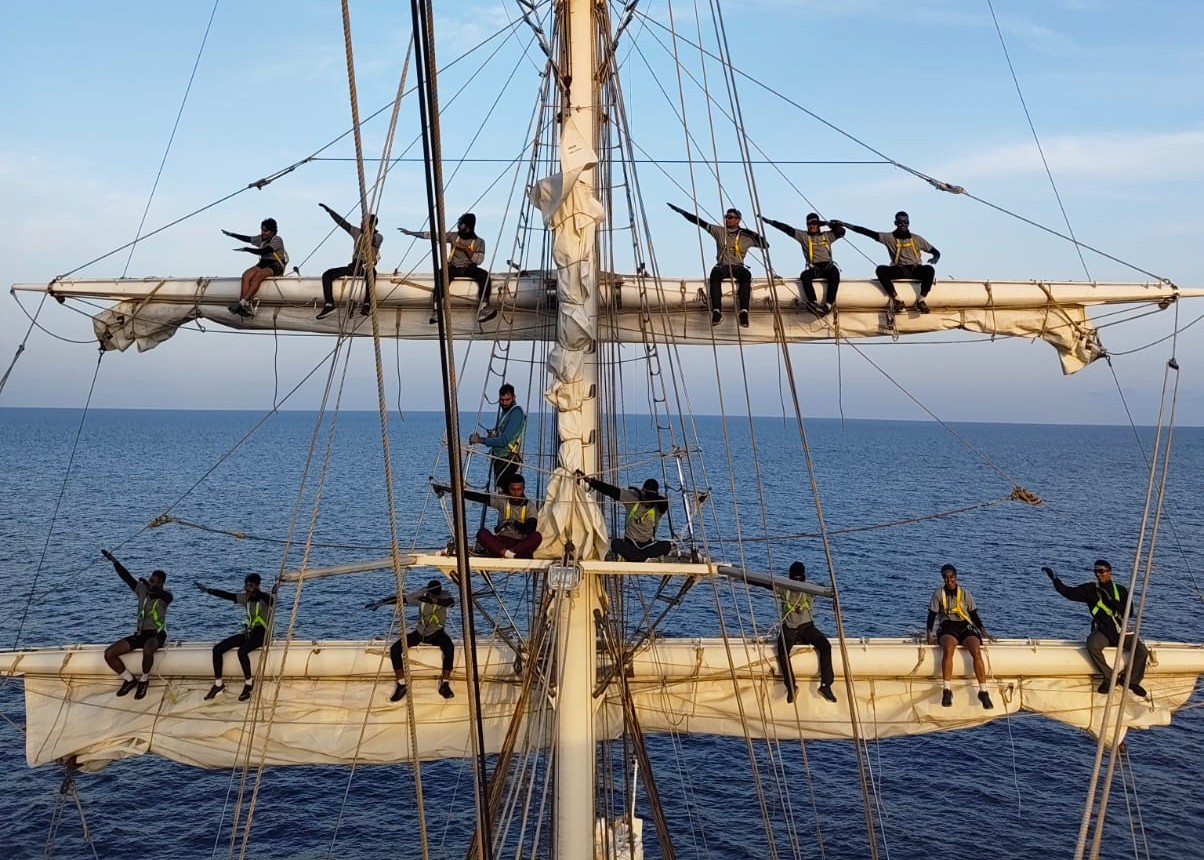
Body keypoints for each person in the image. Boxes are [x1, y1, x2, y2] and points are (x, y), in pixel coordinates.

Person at [1044, 560, 1148, 697]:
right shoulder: (1090, 589)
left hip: (1121, 631)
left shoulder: (1121, 590)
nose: (1098, 574)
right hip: (1103, 632)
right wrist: (1055, 579)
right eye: (1096, 572)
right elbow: (1068, 593)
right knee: (1092, 644)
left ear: (1109, 572)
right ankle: (1110, 677)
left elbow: (1128, 613)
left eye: (1101, 571)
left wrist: (1112, 601)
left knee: (1141, 651)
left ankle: (1132, 681)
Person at [668, 203, 768, 327]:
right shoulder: (719, 231)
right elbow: (700, 222)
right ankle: (716, 312)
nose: (727, 219)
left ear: (738, 220)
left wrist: (750, 232)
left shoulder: (745, 236)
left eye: (730, 217)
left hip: (738, 267)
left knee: (746, 275)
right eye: (726, 216)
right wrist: (682, 212)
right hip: (723, 266)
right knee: (715, 274)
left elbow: (765, 245)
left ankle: (743, 312)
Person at [830, 211, 940, 314]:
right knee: (881, 270)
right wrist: (845, 224)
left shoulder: (916, 238)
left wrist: (935, 258)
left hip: (915, 269)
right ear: (895, 223)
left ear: (908, 223)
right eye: (900, 222)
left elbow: (936, 252)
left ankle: (921, 300)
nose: (903, 224)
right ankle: (897, 299)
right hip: (900, 269)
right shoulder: (889, 237)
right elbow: (867, 232)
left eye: (905, 222)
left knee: (929, 270)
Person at [100, 549, 173, 700]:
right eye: (150, 579)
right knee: (109, 653)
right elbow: (126, 577)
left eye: (154, 581)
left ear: (161, 583)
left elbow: (161, 595)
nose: (150, 582)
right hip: (141, 633)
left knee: (148, 649)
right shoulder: (142, 590)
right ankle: (129, 679)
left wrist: (150, 587)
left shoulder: (166, 596)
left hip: (156, 634)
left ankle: (144, 680)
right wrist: (113, 560)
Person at [399, 212, 496, 324]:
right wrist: (411, 233)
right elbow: (432, 235)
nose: (458, 225)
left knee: (484, 275)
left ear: (467, 225)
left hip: (468, 268)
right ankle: (437, 309)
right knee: (441, 274)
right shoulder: (453, 236)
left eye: (460, 223)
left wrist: (465, 248)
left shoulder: (479, 242)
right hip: (453, 267)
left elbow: (478, 261)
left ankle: (484, 308)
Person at [367, 579, 456, 701]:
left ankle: (445, 684)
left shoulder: (445, 595)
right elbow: (402, 599)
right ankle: (402, 684)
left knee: (449, 648)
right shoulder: (422, 596)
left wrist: (435, 601)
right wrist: (381, 602)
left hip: (436, 634)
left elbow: (450, 602)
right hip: (420, 633)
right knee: (395, 649)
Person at [195, 573, 274, 702]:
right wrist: (208, 590)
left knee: (242, 651)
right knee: (217, 649)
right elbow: (228, 595)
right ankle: (218, 684)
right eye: (246, 586)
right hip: (250, 632)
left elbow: (272, 601)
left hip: (263, 634)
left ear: (257, 586)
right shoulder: (245, 599)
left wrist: (257, 592)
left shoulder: (265, 599)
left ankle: (249, 684)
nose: (247, 589)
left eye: (251, 586)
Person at [767, 562, 836, 704]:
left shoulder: (783, 587)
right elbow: (825, 591)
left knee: (784, 652)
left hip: (796, 628)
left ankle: (800, 686)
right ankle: (821, 685)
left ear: (790, 575)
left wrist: (743, 576)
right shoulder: (809, 588)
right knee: (824, 646)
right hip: (803, 628)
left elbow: (763, 583)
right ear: (804, 576)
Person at [926, 564, 993, 709]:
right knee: (949, 648)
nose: (948, 580)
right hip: (948, 626)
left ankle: (983, 691)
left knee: (976, 650)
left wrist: (982, 629)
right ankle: (947, 689)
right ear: (943, 578)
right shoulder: (938, 594)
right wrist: (929, 632)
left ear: (955, 577)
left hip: (964, 625)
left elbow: (974, 614)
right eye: (945, 577)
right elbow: (931, 615)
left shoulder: (964, 593)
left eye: (951, 577)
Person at [433, 474, 543, 559]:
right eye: (513, 489)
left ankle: (510, 553)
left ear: (523, 489)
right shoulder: (503, 501)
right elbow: (480, 497)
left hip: (519, 545)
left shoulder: (530, 506)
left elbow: (530, 529)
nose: (516, 493)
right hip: (501, 545)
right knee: (482, 533)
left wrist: (512, 522)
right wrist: (451, 490)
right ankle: (509, 554)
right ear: (509, 490)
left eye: (519, 490)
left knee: (537, 536)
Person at [763, 213, 845, 316]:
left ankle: (828, 304)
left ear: (818, 224)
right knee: (805, 275)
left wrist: (827, 223)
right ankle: (813, 302)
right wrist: (771, 222)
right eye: (809, 224)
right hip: (815, 268)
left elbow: (841, 232)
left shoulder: (827, 235)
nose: (811, 226)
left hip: (827, 266)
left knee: (834, 272)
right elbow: (788, 229)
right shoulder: (804, 236)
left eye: (814, 223)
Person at [577, 472, 671, 562]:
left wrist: (652, 497)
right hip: (630, 544)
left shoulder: (658, 508)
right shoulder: (632, 499)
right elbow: (611, 491)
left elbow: (665, 502)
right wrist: (591, 481)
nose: (647, 501)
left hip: (647, 545)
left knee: (667, 545)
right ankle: (643, 558)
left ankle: (638, 557)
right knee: (615, 544)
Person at [316, 204, 383, 319]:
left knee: (372, 275)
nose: (361, 223)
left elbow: (371, 241)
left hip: (367, 267)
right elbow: (343, 223)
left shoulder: (379, 237)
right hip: (354, 266)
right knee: (327, 275)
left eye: (364, 222)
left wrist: (368, 229)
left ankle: (367, 304)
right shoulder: (356, 232)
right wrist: (330, 212)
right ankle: (329, 304)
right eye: (362, 221)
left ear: (372, 224)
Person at [221, 218, 288, 318]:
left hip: (275, 265)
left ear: (272, 231)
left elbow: (264, 251)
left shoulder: (277, 239)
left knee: (258, 276)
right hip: (263, 263)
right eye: (262, 230)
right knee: (246, 275)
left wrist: (246, 249)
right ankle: (244, 305)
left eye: (266, 231)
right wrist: (232, 234)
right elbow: (248, 239)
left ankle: (242, 303)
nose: (263, 233)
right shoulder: (261, 238)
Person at [469, 383, 526, 490]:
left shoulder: (516, 413)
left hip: (507, 459)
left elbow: (504, 440)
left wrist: (480, 440)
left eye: (507, 400)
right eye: (501, 400)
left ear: (514, 397)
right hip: (501, 458)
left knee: (505, 494)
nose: (504, 403)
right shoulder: (507, 412)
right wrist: (493, 436)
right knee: (501, 492)